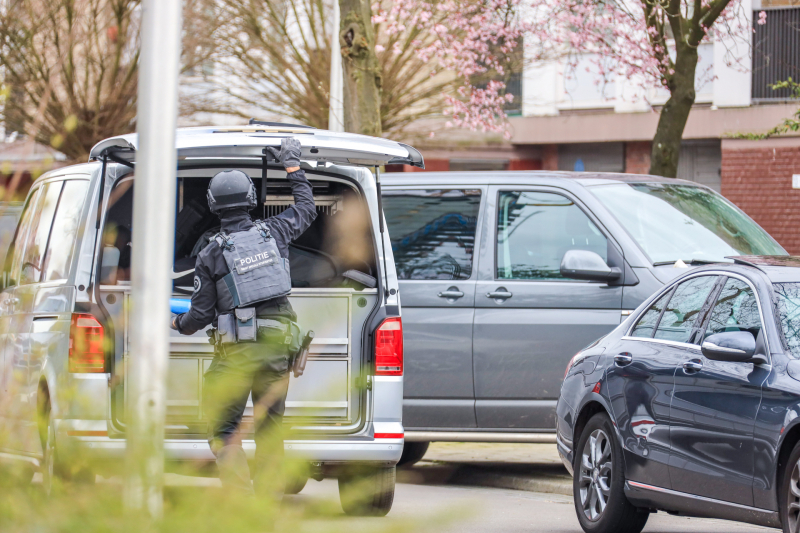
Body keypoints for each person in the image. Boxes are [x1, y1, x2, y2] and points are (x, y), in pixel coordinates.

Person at [171, 137, 316, 497]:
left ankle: (238, 500)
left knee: (223, 429)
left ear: (213, 206)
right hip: (277, 353)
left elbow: (200, 315)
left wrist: (176, 323)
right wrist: (293, 167)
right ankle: (265, 506)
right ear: (251, 201)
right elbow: (308, 207)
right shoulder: (277, 232)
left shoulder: (210, 253)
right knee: (269, 428)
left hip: (236, 357)